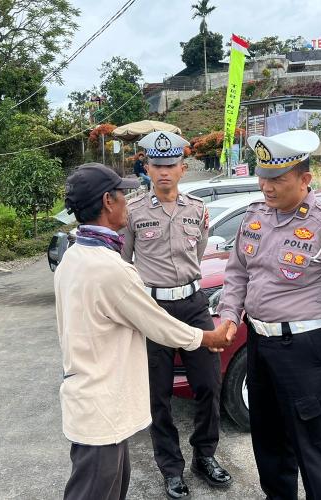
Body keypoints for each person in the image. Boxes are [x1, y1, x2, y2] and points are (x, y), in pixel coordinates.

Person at [54, 163, 235, 500]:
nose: (128, 199)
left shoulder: (74, 256)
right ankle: (171, 468)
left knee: (111, 485)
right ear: (108, 201)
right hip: (101, 405)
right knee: (99, 485)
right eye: (122, 193)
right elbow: (155, 322)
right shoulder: (109, 267)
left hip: (93, 395)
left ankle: (204, 455)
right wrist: (207, 337)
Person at [217, 130, 321, 500]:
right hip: (259, 345)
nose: (266, 187)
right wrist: (229, 315)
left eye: (277, 179)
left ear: (305, 179)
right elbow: (237, 273)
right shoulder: (255, 217)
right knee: (268, 442)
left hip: (304, 350)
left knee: (314, 446)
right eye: (263, 178)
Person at [122, 131, 232, 499]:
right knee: (159, 394)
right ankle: (171, 468)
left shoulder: (197, 209)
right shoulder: (133, 211)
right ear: (147, 168)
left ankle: (205, 455)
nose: (164, 172)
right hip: (153, 309)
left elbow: (197, 253)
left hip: (193, 304)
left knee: (209, 383)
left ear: (183, 168)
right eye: (157, 166)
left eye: (171, 165)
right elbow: (125, 262)